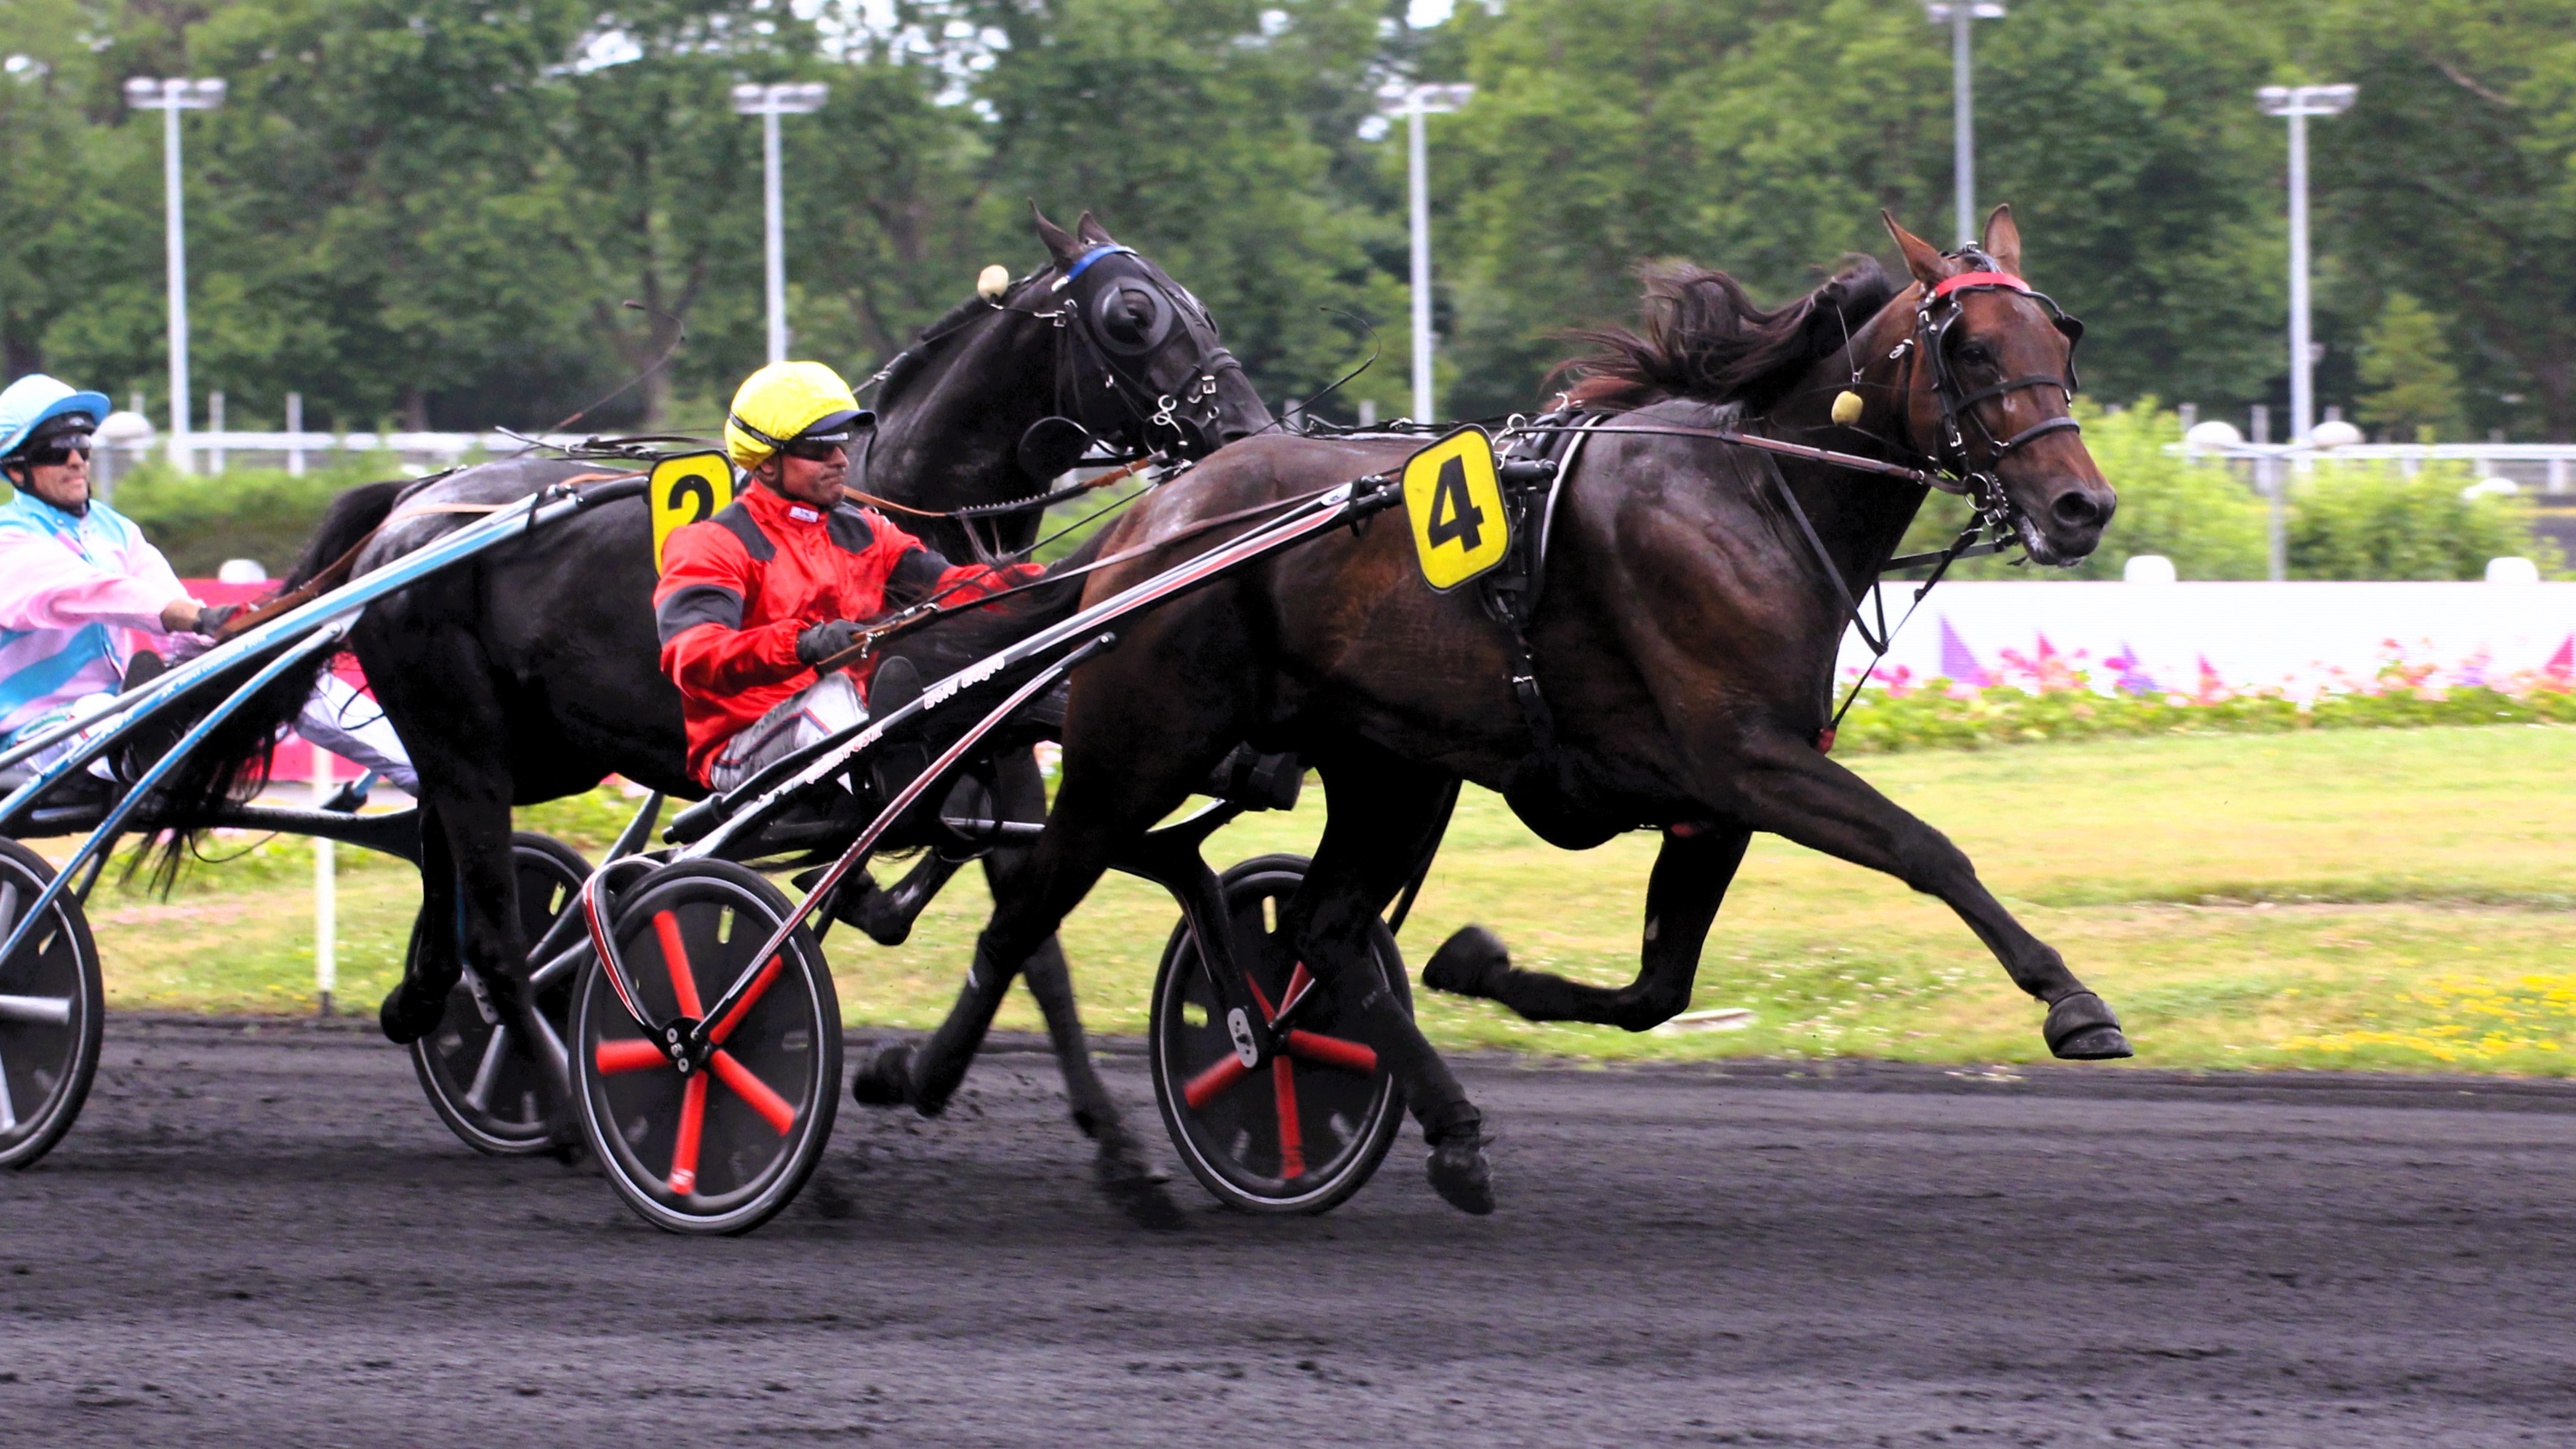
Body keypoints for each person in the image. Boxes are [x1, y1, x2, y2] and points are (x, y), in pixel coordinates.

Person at [0, 373, 416, 794]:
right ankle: (138, 748)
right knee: (96, 712)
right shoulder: (8, 540)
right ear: (16, 469)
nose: (75, 460)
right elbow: (95, 592)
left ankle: (426, 770)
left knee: (283, 666)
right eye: (55, 450)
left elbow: (173, 606)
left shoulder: (116, 531)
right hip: (31, 738)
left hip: (124, 714)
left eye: (82, 444)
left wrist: (240, 639)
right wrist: (204, 617)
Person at [653, 360, 1035, 796]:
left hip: (845, 725)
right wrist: (802, 645)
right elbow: (692, 657)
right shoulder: (711, 544)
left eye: (842, 445)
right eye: (819, 450)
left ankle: (902, 780)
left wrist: (1059, 579)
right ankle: (893, 792)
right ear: (765, 464)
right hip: (740, 748)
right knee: (831, 690)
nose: (839, 460)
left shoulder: (867, 532)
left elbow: (954, 586)